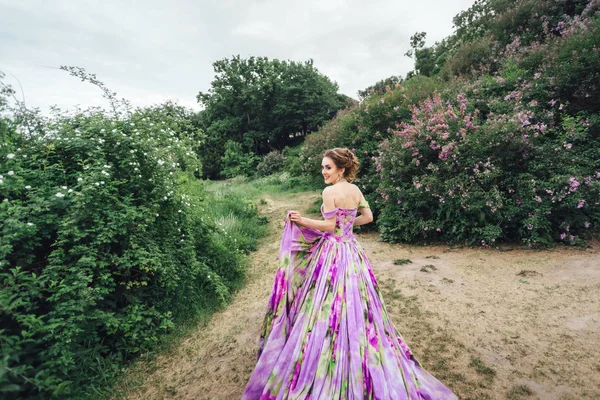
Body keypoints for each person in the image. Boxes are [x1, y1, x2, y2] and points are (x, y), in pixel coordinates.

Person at [242, 148, 458, 399]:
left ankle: (328, 349)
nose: (323, 172)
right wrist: (347, 223)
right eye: (323, 167)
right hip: (352, 251)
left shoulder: (329, 192)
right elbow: (368, 217)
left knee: (325, 302)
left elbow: (329, 226)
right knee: (357, 302)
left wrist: (303, 220)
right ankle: (354, 342)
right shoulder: (355, 191)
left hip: (334, 253)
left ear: (341, 169)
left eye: (328, 167)